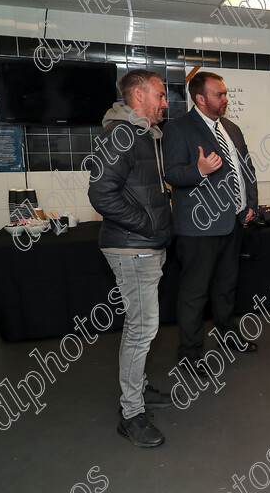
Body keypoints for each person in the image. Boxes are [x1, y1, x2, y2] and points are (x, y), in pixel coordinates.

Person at [87, 69, 173, 447]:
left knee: (143, 326)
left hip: (144, 244)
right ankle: (131, 412)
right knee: (142, 329)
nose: (165, 103)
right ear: (138, 96)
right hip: (132, 245)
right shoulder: (121, 134)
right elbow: (101, 193)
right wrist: (148, 224)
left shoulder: (143, 134)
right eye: (160, 95)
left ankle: (137, 388)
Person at [163, 71, 259, 379]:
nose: (225, 99)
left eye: (226, 93)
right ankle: (190, 354)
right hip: (197, 228)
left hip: (233, 221)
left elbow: (246, 167)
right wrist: (199, 169)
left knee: (226, 286)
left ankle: (228, 335)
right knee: (195, 294)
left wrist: (251, 204)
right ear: (200, 98)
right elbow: (172, 175)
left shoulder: (230, 128)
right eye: (219, 95)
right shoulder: (178, 129)